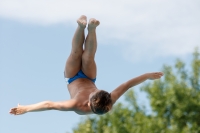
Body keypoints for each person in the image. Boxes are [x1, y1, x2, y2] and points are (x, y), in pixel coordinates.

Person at [9, 15, 164, 115]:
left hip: (72, 77)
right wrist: (147, 76)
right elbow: (127, 84)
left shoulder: (75, 104)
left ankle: (80, 27)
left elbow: (50, 104)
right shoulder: (110, 98)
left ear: (89, 103)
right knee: (88, 57)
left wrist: (26, 108)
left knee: (76, 53)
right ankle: (91, 28)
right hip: (90, 77)